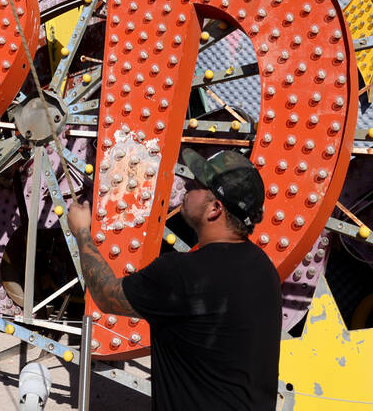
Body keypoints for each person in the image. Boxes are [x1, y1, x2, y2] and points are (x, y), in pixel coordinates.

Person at [66, 148, 282, 411]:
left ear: (215, 209)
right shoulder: (264, 268)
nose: (185, 186)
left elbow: (106, 295)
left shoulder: (182, 273)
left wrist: (81, 232)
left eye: (195, 185)